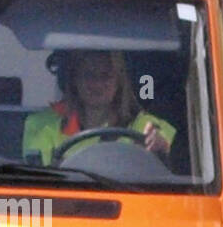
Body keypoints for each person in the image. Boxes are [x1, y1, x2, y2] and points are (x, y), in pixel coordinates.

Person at [23, 50, 175, 166]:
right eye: (88, 75)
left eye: (106, 76)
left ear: (119, 82)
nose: (96, 84)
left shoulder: (145, 125)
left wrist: (161, 148)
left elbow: (172, 158)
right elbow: (40, 179)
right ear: (74, 80)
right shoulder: (41, 124)